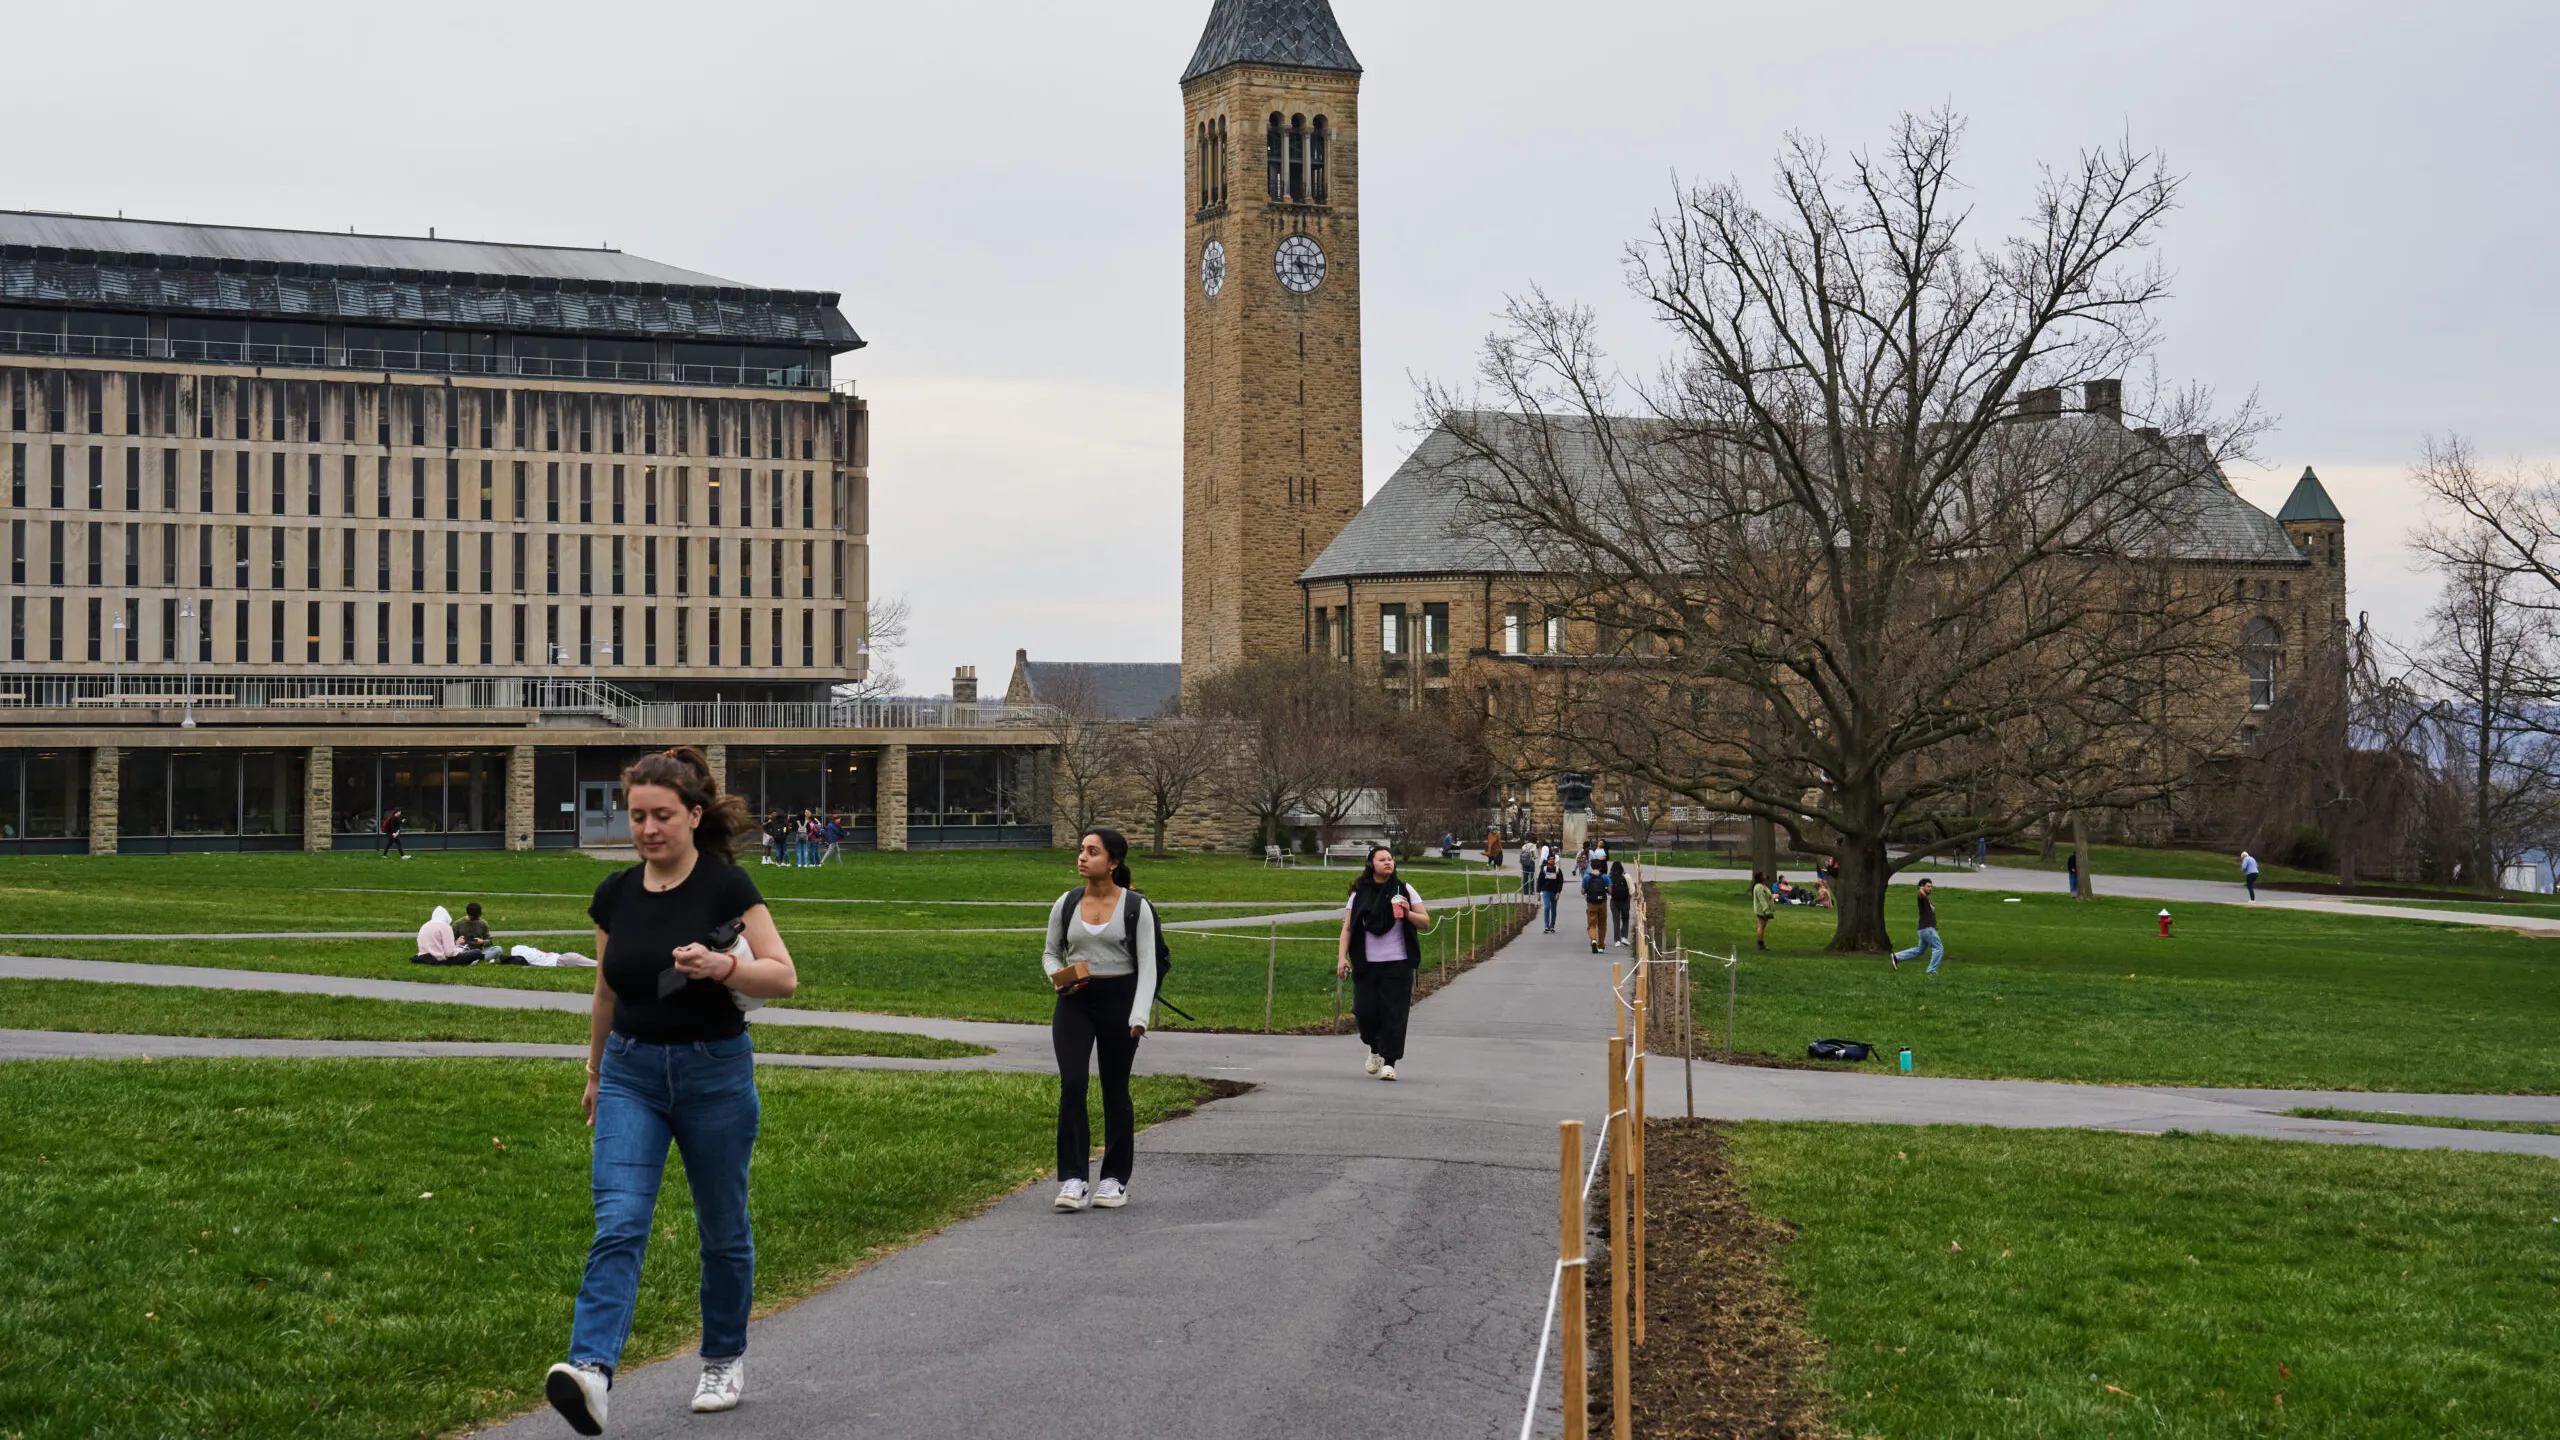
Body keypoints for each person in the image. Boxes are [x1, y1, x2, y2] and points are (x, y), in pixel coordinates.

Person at [546, 746, 797, 1432]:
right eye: (637, 817)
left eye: (662, 815)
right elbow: (604, 991)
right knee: (620, 1221)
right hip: (631, 1073)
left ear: (692, 815)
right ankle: (592, 1371)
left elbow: (782, 975)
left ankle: (722, 1356)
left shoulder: (727, 888)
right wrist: (595, 1072)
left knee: (723, 1229)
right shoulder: (616, 895)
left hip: (714, 1072)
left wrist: (722, 966)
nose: (648, 829)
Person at [1042, 828, 1161, 1211]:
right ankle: (1073, 1179)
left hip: (1119, 1002)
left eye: (1092, 852)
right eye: (1081, 850)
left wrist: (1139, 1015)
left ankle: (1113, 1180)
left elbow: (1149, 966)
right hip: (1075, 1003)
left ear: (1113, 862)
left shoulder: (1136, 906)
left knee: (1115, 1089)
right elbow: (1050, 953)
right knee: (1072, 1085)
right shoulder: (1066, 902)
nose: (1081, 857)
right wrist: (1059, 979)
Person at [1336, 845, 1429, 1081]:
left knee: (1394, 1014)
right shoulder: (1359, 894)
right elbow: (1348, 928)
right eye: (1382, 859)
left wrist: (1407, 912)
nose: (1388, 862)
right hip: (1366, 964)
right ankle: (1374, 1047)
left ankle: (1390, 1062)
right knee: (1365, 1013)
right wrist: (1341, 957)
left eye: (1390, 859)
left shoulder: (1404, 889)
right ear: (1371, 865)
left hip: (1398, 963)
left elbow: (1425, 922)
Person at [1892, 879, 1945, 973]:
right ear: (1922, 887)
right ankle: (1931, 970)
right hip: (1927, 928)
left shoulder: (1927, 899)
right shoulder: (1921, 896)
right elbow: (1921, 894)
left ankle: (1897, 956)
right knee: (1938, 948)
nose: (1930, 888)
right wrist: (1920, 889)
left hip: (1925, 929)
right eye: (1928, 886)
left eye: (1931, 887)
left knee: (1919, 951)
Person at [1580, 860, 1612, 954]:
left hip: (1591, 903)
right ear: (1600, 867)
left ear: (1591, 866)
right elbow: (1610, 891)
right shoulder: (1605, 877)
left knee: (1591, 924)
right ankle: (1601, 945)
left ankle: (1593, 939)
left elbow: (1582, 891)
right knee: (1602, 924)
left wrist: (1587, 891)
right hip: (1602, 903)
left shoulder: (1586, 877)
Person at [1536, 851, 1566, 932]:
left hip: (1555, 893)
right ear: (1548, 860)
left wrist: (1558, 893)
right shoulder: (1544, 870)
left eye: (1553, 859)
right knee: (1546, 907)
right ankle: (1546, 925)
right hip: (1546, 892)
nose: (1552, 860)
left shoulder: (1558, 870)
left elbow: (1560, 882)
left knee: (1553, 909)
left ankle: (1552, 926)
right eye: (1551, 859)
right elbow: (1540, 881)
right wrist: (1538, 893)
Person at [1608, 859, 1633, 949]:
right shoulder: (1627, 876)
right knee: (1625, 919)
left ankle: (1617, 940)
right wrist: (1628, 899)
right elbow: (1632, 890)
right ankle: (1624, 937)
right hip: (1625, 900)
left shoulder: (1610, 877)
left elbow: (1608, 890)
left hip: (1614, 901)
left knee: (1616, 921)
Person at [1750, 871, 1775, 950]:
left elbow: (1767, 897)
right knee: (1761, 925)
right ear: (1760, 878)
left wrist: (1772, 897)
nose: (1765, 875)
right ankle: (1760, 944)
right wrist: (1767, 911)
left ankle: (1761, 942)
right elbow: (1762, 900)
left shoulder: (1763, 886)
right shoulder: (1759, 887)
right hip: (1762, 910)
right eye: (1763, 875)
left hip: (1765, 910)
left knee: (1763, 926)